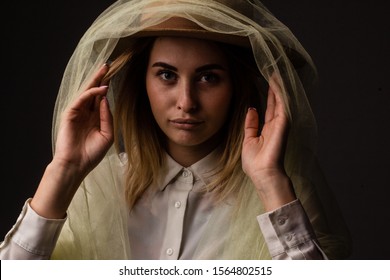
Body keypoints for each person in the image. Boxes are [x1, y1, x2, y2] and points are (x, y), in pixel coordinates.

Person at [0, 0, 351, 260]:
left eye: (208, 77)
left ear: (237, 87)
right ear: (143, 83)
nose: (186, 101)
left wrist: (270, 182)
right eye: (167, 75)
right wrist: (63, 170)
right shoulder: (96, 187)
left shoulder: (283, 192)